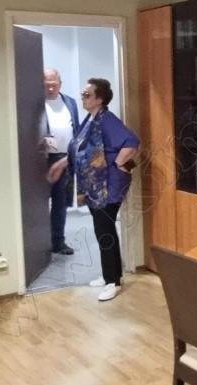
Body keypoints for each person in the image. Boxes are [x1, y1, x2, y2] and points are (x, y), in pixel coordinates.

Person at [47, 78, 138, 302]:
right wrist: (61, 164)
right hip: (95, 186)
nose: (83, 98)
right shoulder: (91, 119)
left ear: (100, 99)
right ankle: (112, 276)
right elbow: (78, 147)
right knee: (103, 230)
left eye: (87, 95)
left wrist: (118, 163)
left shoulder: (107, 120)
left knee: (104, 231)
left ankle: (112, 282)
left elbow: (132, 142)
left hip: (108, 186)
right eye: (83, 94)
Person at [41, 69, 81, 256]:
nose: (50, 88)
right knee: (38, 203)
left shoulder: (70, 102)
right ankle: (38, 244)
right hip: (42, 160)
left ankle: (58, 241)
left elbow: (77, 130)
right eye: (47, 85)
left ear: (60, 84)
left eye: (54, 84)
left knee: (61, 202)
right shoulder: (36, 103)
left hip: (65, 159)